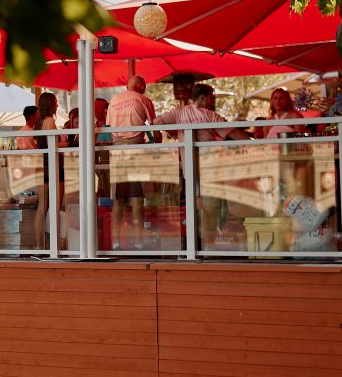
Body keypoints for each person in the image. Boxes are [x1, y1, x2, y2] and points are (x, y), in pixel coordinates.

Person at [153, 84, 250, 245]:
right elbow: (232, 132)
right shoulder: (210, 115)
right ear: (203, 98)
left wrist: (177, 132)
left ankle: (195, 243)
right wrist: (257, 143)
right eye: (211, 97)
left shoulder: (179, 112)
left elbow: (157, 122)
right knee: (211, 204)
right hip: (209, 165)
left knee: (194, 203)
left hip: (189, 167)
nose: (213, 100)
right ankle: (207, 243)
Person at [106, 75, 160, 250]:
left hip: (117, 150)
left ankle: (115, 243)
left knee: (118, 198)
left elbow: (109, 126)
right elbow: (155, 127)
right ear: (142, 86)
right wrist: (158, 147)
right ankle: (138, 242)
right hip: (135, 148)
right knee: (137, 196)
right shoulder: (143, 99)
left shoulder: (114, 99)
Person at [32, 92, 65, 248]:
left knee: (42, 207)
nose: (57, 106)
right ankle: (54, 246)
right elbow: (53, 146)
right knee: (55, 207)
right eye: (56, 102)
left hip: (41, 166)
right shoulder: (50, 121)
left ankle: (39, 245)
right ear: (50, 104)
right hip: (53, 166)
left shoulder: (38, 122)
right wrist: (70, 144)